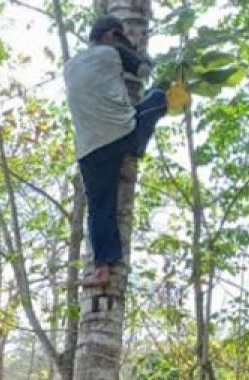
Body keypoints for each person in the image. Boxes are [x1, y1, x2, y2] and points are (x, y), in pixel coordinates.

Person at [63, 16, 168, 289]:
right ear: (111, 35)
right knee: (159, 99)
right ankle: (130, 157)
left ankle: (102, 269)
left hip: (88, 149)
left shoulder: (70, 67)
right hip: (121, 136)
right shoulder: (113, 51)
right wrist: (137, 53)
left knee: (99, 208)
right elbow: (144, 71)